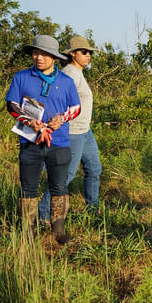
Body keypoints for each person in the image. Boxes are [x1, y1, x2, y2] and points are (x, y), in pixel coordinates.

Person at [5, 35, 80, 245]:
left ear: (54, 58)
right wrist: (30, 122)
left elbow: (76, 108)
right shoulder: (21, 77)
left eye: (45, 54)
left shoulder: (66, 81)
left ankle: (58, 230)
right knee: (28, 188)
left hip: (60, 142)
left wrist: (61, 119)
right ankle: (28, 232)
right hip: (30, 141)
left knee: (59, 186)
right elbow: (11, 104)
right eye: (36, 52)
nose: (39, 57)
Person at [38, 36, 102, 222]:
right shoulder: (70, 74)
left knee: (94, 169)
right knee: (66, 175)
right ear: (73, 54)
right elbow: (54, 97)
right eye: (84, 52)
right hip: (73, 132)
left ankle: (93, 210)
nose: (88, 55)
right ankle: (43, 217)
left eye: (89, 52)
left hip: (85, 131)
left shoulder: (77, 72)